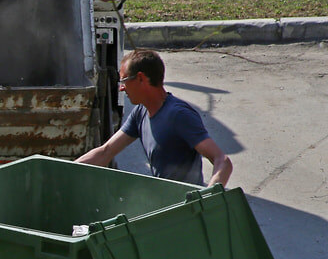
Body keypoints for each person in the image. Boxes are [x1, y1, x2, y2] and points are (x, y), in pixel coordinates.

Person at [77, 49, 233, 186]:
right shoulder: (140, 113)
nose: (121, 87)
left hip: (186, 208)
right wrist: (63, 170)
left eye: (124, 81)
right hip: (163, 202)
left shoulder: (179, 115)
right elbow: (106, 152)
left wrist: (208, 198)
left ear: (140, 78)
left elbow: (222, 161)